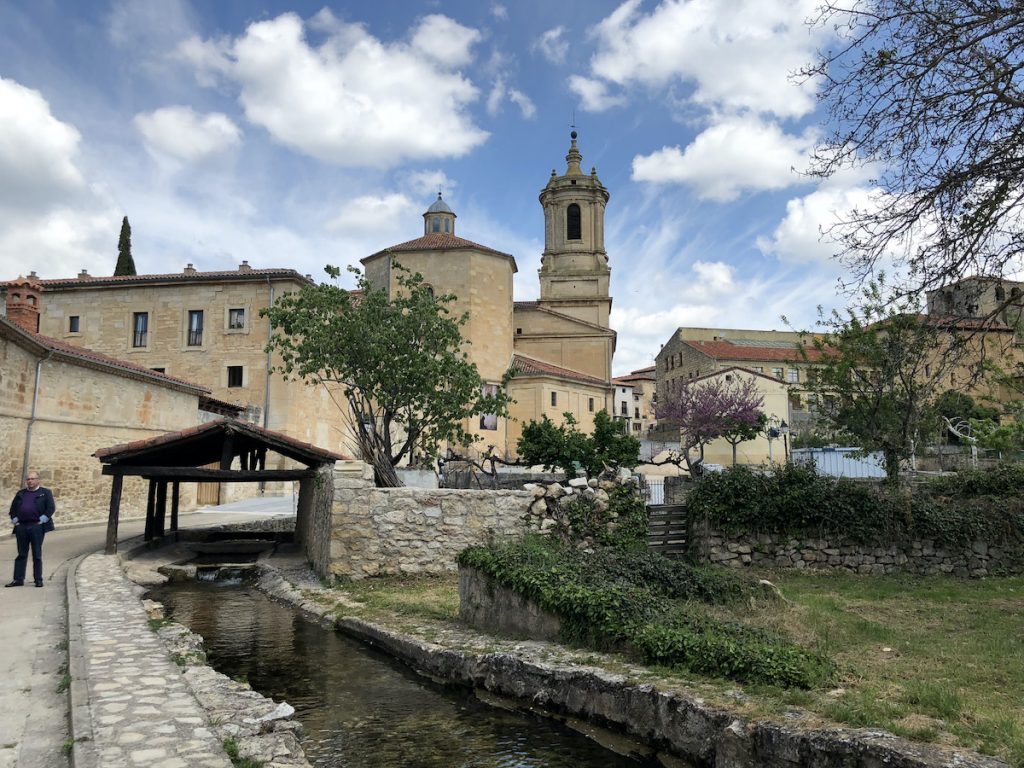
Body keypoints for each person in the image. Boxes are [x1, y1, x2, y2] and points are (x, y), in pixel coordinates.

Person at [6, 470, 56, 588]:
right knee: (21, 554)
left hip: (36, 527)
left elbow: (50, 508)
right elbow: (13, 509)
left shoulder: (45, 493)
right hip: (22, 527)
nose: (30, 481)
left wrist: (42, 520)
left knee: (37, 554)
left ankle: (38, 579)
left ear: (38, 480)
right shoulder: (20, 494)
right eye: (28, 479)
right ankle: (18, 579)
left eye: (32, 479)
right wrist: (15, 520)